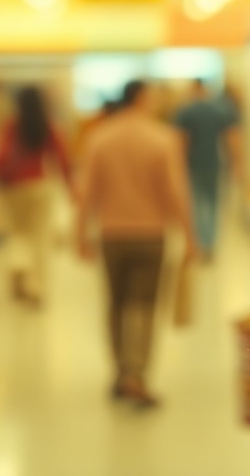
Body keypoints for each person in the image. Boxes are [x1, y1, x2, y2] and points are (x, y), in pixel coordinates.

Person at [77, 80, 195, 408]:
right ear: (142, 98)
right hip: (151, 235)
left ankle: (118, 372)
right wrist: (189, 236)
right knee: (143, 307)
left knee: (115, 305)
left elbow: (87, 192)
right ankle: (137, 375)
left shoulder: (99, 137)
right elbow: (176, 192)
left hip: (111, 235)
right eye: (153, 96)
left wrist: (80, 235)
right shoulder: (163, 138)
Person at [0, 86, 72, 306]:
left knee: (17, 233)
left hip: (14, 188)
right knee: (40, 239)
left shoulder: (11, 126)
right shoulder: (49, 126)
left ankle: (18, 267)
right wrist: (70, 186)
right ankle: (36, 287)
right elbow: (62, 158)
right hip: (41, 186)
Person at [174, 79, 239, 261]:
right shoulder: (222, 109)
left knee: (194, 204)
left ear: (195, 89)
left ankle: (198, 242)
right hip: (215, 164)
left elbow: (181, 142)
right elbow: (232, 139)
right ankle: (209, 244)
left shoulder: (186, 111)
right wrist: (236, 165)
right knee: (212, 204)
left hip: (192, 165)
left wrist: (177, 167)